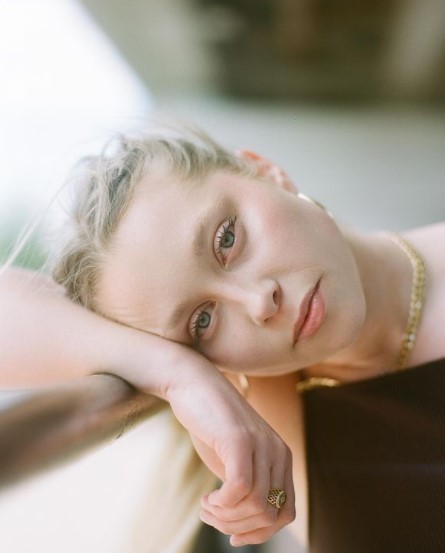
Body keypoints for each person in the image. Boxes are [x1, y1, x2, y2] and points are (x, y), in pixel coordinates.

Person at [0, 123, 444, 552]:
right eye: (202, 322)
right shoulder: (264, 420)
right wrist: (174, 374)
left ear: (265, 170)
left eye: (227, 238)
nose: (258, 302)